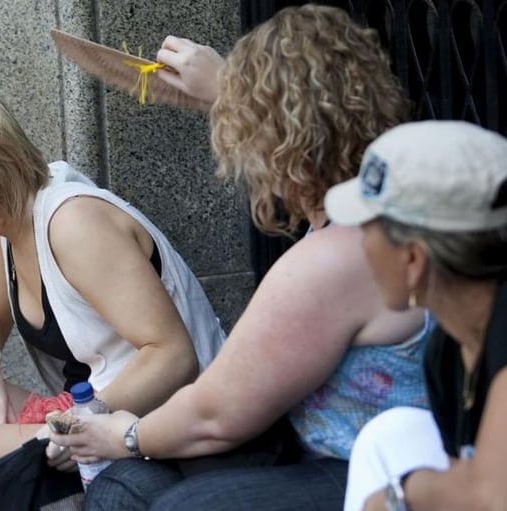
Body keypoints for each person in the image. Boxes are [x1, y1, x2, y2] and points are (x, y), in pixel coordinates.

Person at [50, 5, 431, 510]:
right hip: (332, 453)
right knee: (126, 492)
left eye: (241, 127)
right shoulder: (396, 201)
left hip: (382, 480)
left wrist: (126, 435)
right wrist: (233, 90)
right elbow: (308, 118)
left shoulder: (337, 256)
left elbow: (215, 414)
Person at [0, 76, 226, 511]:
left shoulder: (73, 223)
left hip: (154, 432)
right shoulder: (11, 222)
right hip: (72, 419)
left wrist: (79, 421)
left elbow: (172, 355)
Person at [324, 120, 507, 511]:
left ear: (412, 260)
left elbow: (488, 496)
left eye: (365, 228)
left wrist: (404, 492)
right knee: (389, 434)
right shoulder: (448, 348)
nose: (359, 244)